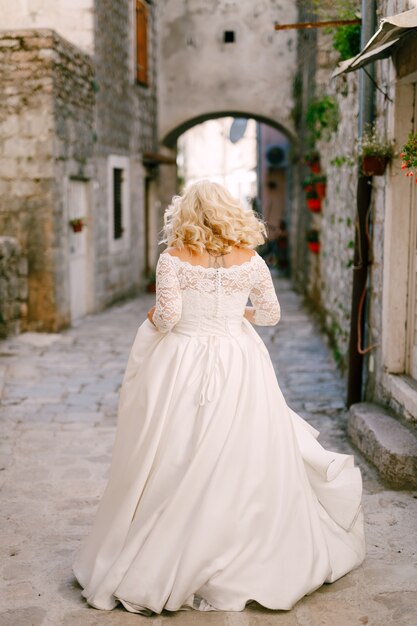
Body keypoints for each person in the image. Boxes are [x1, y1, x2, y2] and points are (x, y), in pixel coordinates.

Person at [73, 180, 365, 615]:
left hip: (182, 364)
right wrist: (236, 312)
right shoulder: (251, 261)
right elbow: (270, 315)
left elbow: (169, 318)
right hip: (238, 360)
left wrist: (154, 315)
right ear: (230, 213)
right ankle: (238, 543)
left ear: (186, 214)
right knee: (241, 452)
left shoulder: (172, 259)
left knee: (176, 452)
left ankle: (170, 543)